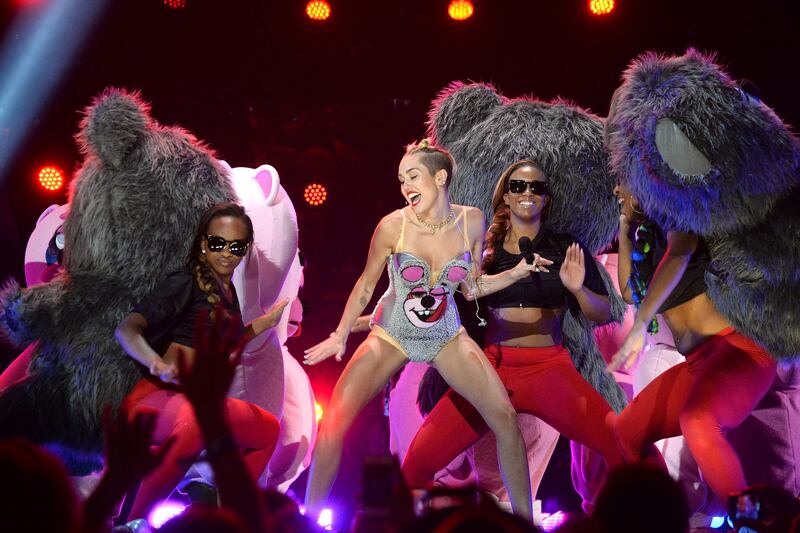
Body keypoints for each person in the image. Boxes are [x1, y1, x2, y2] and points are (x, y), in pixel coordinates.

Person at [302, 140, 534, 520]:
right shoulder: (393, 226)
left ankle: (524, 523)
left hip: (446, 334)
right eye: (401, 180)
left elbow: (471, 287)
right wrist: (340, 334)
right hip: (392, 333)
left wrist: (517, 273)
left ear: (440, 178)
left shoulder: (472, 221)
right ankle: (306, 522)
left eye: (412, 176)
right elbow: (365, 286)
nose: (405, 186)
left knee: (506, 419)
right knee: (334, 421)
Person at [401, 160, 623, 497]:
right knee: (415, 466)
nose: (527, 193)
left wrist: (578, 289)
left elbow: (603, 313)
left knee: (620, 444)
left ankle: (628, 515)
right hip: (489, 370)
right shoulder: (485, 250)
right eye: (518, 186)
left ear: (547, 198)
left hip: (548, 369)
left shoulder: (565, 247)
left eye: (537, 187)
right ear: (505, 196)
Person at [115, 202, 287, 522]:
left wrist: (266, 322)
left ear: (245, 249)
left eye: (236, 247)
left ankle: (231, 518)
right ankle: (131, 523)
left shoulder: (228, 292)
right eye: (218, 243)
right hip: (156, 396)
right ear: (204, 243)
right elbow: (126, 328)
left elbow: (229, 343)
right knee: (198, 419)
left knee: (267, 430)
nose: (226, 253)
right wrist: (155, 362)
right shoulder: (185, 282)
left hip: (196, 401)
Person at [608, 184, 778, 505]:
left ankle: (750, 522)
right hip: (697, 362)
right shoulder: (648, 232)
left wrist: (641, 322)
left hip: (737, 350)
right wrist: (625, 225)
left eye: (622, 179)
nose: (617, 188)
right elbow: (630, 292)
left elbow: (680, 253)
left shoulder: (677, 208)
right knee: (626, 433)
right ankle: (664, 514)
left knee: (698, 422)